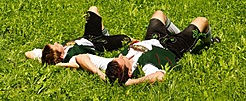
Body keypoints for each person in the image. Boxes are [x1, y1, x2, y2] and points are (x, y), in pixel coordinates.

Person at [73, 10, 219, 85]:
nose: (120, 56)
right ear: (129, 72)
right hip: (172, 47)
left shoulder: (113, 64)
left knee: (158, 14)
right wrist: (133, 83)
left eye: (118, 57)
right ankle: (208, 42)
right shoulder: (145, 66)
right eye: (122, 60)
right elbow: (160, 77)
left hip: (152, 39)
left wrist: (100, 74)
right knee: (202, 21)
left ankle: (182, 35)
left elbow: (81, 58)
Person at [25, 6, 132, 66]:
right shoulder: (71, 58)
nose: (56, 43)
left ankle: (104, 33)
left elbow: (28, 53)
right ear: (61, 56)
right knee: (126, 39)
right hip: (99, 44)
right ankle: (106, 37)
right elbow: (76, 65)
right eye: (56, 45)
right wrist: (58, 65)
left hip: (89, 36)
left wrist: (43, 62)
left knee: (93, 9)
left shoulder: (48, 54)